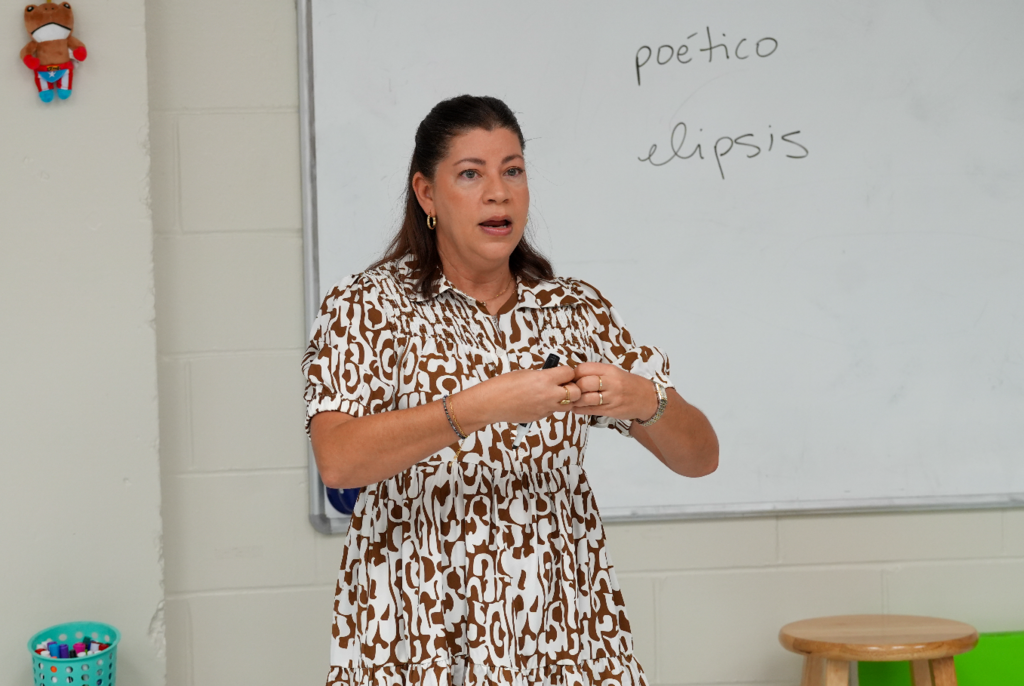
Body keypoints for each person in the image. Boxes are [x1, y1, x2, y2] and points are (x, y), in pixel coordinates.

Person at [303, 95, 719, 686]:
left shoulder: (573, 308)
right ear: (426, 194)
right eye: (470, 174)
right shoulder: (369, 306)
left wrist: (642, 399)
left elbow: (701, 457)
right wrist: (479, 407)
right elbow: (338, 459)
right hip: (417, 632)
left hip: (565, 634)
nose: (498, 193)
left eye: (513, 171)